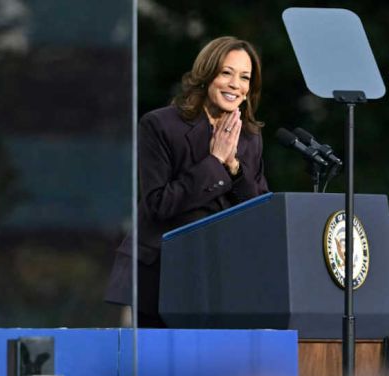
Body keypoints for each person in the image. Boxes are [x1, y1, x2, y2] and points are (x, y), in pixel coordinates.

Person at [105, 35, 270, 327]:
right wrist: (214, 162)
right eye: (226, 73)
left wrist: (233, 166)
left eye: (244, 78)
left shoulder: (250, 137)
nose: (235, 84)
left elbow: (259, 211)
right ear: (207, 75)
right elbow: (158, 203)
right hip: (163, 279)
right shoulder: (159, 125)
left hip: (222, 283)